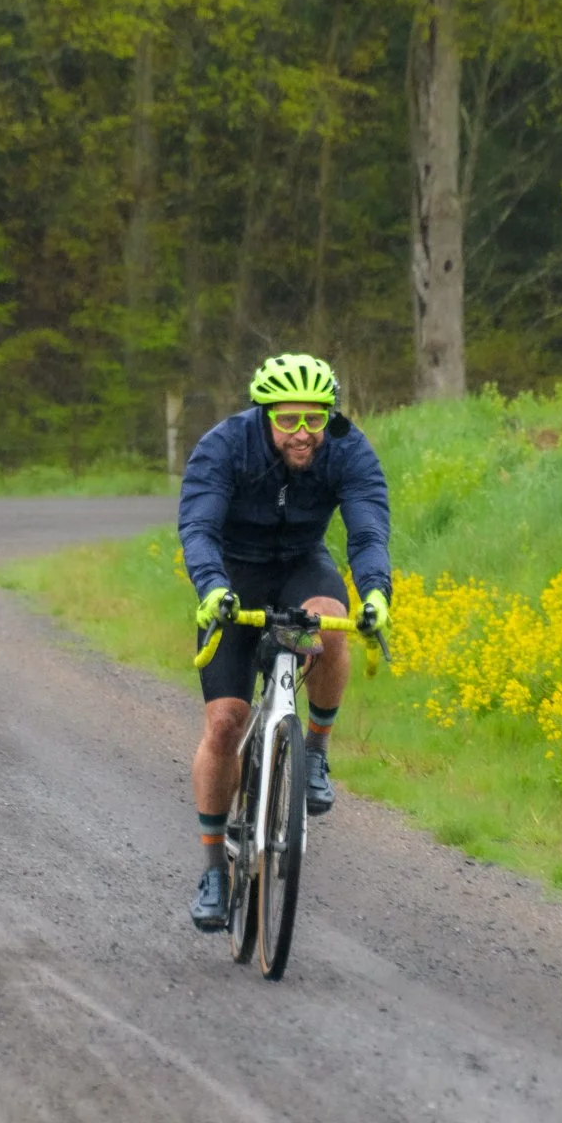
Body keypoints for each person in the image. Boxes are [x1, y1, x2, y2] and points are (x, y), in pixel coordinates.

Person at [177, 353, 392, 932]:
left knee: (328, 620)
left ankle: (314, 751)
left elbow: (368, 528)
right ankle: (213, 870)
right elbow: (198, 526)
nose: (304, 433)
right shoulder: (225, 447)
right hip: (234, 577)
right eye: (291, 419)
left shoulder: (346, 449)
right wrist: (212, 587)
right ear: (265, 413)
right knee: (224, 723)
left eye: (316, 419)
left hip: (302, 567)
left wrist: (377, 594)